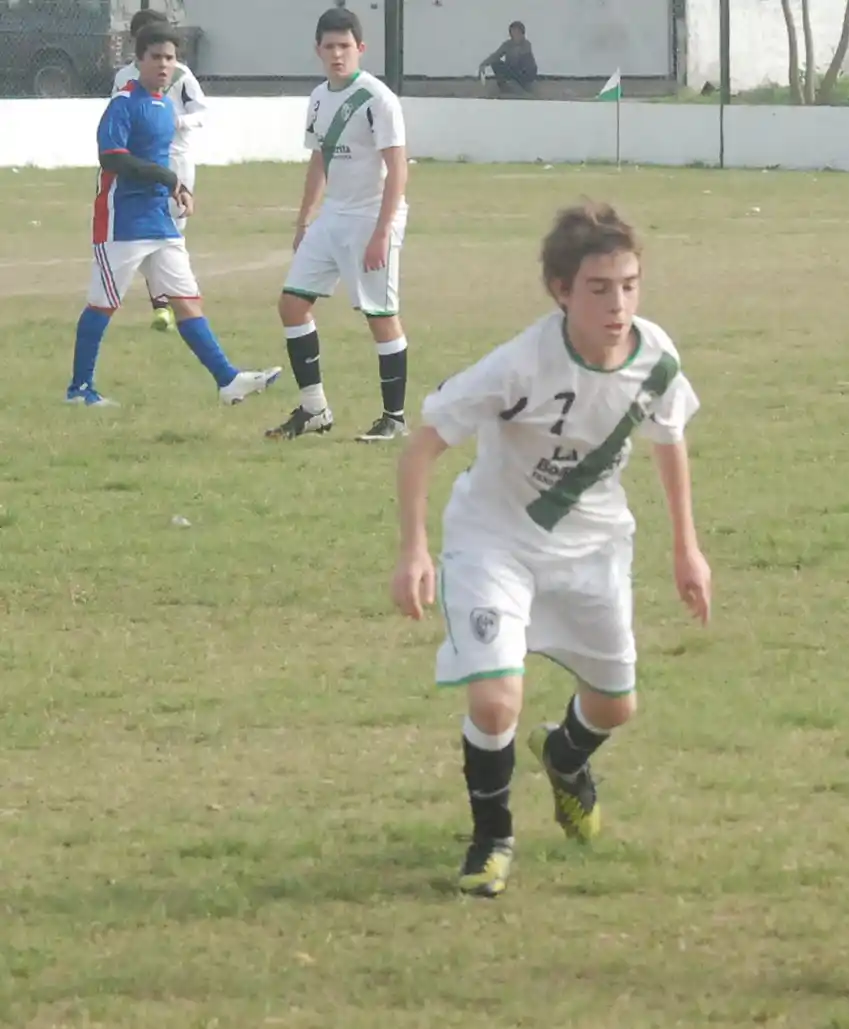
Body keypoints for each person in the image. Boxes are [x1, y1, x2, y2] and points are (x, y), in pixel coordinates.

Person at [389, 201, 711, 898]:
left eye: (628, 285)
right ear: (561, 291)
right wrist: (415, 549)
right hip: (494, 542)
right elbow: (422, 448)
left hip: (593, 549)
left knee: (616, 706)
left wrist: (687, 547)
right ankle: (492, 838)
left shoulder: (655, 358)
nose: (617, 303)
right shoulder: (519, 365)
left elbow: (670, 437)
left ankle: (564, 756)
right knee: (495, 701)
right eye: (598, 288)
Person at [68, 22, 280, 409]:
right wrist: (166, 177)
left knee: (186, 301)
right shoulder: (124, 103)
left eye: (170, 58)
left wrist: (178, 189)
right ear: (139, 60)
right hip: (122, 222)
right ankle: (79, 389)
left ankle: (228, 381)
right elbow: (111, 156)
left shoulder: (166, 105)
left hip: (159, 221)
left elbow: (162, 161)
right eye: (157, 58)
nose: (164, 65)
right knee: (102, 304)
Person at [267, 6, 412, 443]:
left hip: (371, 217)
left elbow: (398, 169)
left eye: (344, 46)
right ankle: (314, 409)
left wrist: (382, 232)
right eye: (329, 46)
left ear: (360, 49)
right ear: (317, 50)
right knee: (291, 304)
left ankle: (395, 419)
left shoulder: (378, 100)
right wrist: (304, 218)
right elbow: (318, 160)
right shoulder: (317, 98)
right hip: (332, 217)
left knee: (380, 316)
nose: (337, 54)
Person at [113, 7, 208, 334]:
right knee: (146, 235)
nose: (162, 59)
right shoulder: (123, 79)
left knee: (173, 233)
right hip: (142, 164)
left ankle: (178, 302)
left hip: (177, 160)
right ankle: (163, 305)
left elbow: (202, 113)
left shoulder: (181, 74)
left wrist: (177, 122)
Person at [479, 21, 538, 95]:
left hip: (524, 73)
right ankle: (506, 85)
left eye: (517, 32)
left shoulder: (526, 44)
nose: (515, 34)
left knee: (527, 61)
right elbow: (496, 55)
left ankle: (524, 86)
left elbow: (522, 59)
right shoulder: (507, 44)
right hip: (512, 71)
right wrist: (483, 64)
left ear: (522, 33)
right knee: (495, 63)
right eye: (513, 32)